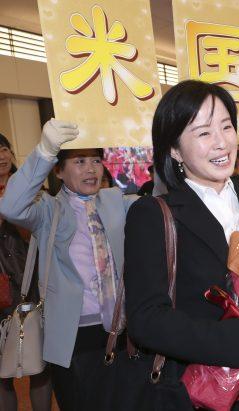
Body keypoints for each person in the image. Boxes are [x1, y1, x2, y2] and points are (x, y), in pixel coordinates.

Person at [123, 80, 239, 410]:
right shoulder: (154, 215)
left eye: (226, 127)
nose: (221, 143)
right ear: (174, 149)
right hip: (202, 389)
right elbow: (146, 319)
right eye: (203, 133)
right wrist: (238, 338)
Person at [0, 122, 138, 411]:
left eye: (96, 160)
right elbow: (11, 206)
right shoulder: (49, 210)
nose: (91, 169)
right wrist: (45, 150)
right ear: (58, 170)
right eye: (79, 161)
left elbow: (163, 205)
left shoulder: (116, 201)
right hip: (74, 335)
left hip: (121, 329)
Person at [0, 134, 53, 411]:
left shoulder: (32, 189)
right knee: (2, 371)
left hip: (32, 285)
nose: (1, 155)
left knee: (39, 363)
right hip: (1, 292)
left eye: (5, 148)